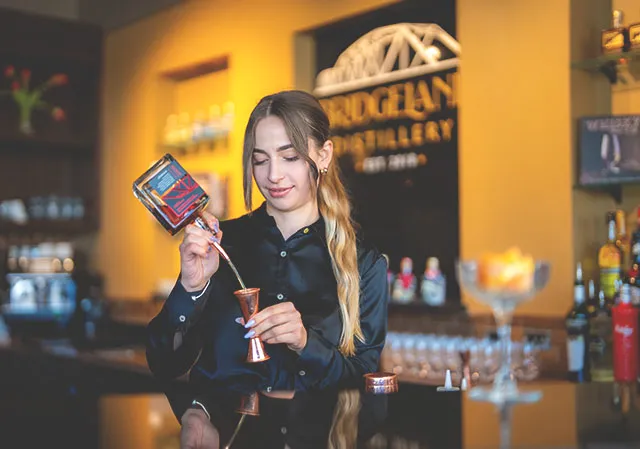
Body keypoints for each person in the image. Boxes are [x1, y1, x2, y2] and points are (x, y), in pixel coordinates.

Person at [145, 90, 389, 448]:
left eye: (289, 156)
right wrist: (190, 288)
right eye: (260, 160)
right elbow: (164, 364)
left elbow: (367, 380)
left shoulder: (363, 262)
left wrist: (307, 343)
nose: (273, 175)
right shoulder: (220, 245)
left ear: (323, 155)